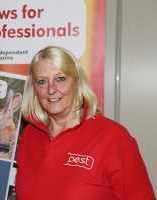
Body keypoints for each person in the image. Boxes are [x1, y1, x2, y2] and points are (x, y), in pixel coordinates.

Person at [15, 46, 155, 199]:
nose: (51, 89)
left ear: (77, 82)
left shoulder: (114, 138)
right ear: (34, 89)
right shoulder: (30, 135)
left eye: (60, 79)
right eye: (42, 81)